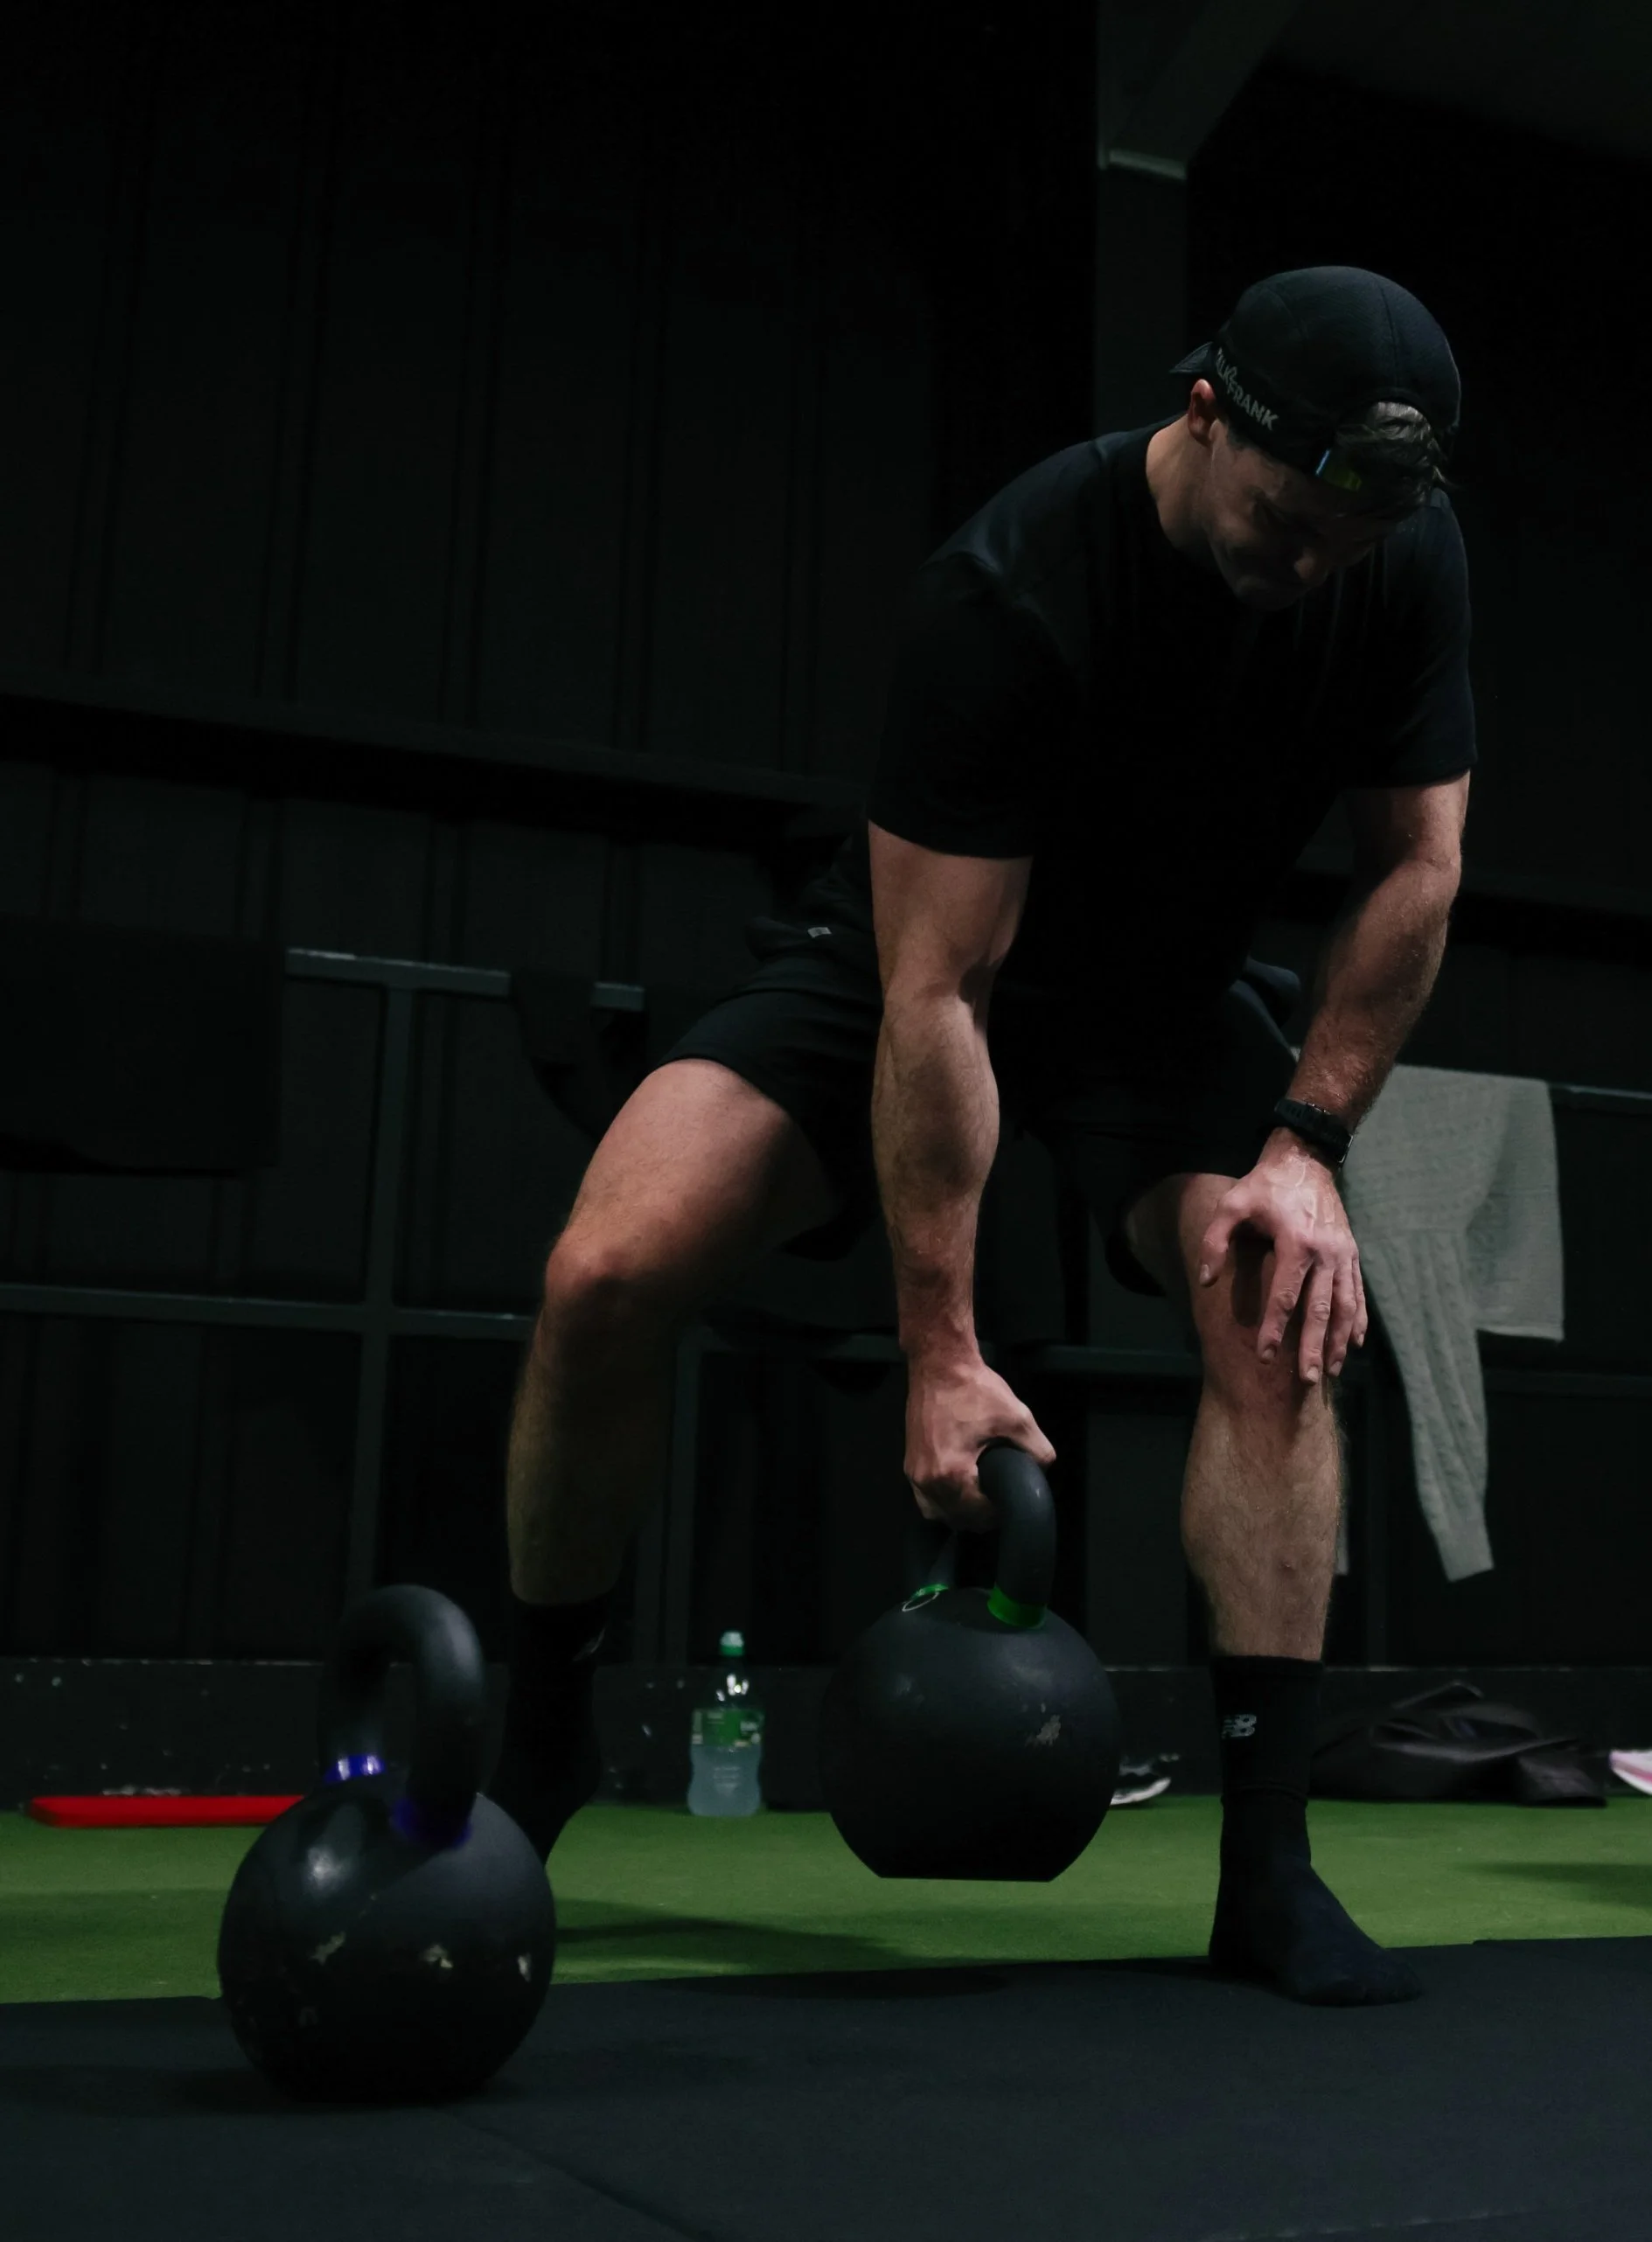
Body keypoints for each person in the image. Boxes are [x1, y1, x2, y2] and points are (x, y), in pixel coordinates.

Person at [489, 265, 1474, 2008]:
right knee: (604, 1271)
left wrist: (1304, 1145)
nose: (1313, 565)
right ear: (1202, 415)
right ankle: (546, 1716)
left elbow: (1417, 866)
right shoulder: (1013, 579)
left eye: (1351, 538)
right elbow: (941, 989)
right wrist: (937, 1349)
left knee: (1278, 1305)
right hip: (904, 970)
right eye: (1285, 520)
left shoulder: (1396, 558)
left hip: (1160, 999)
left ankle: (1267, 1869)